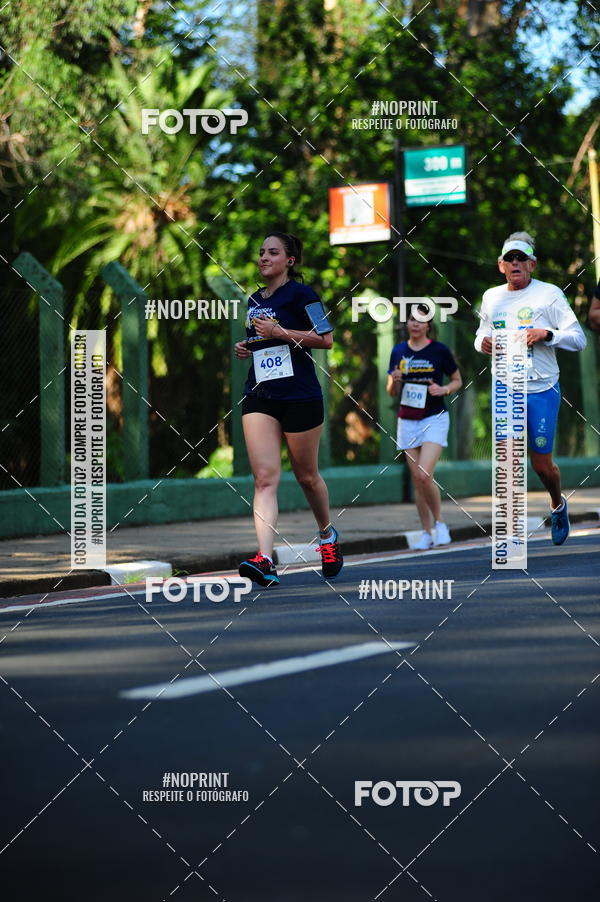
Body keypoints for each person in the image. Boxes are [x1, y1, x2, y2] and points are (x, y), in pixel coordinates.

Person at [234, 232, 343, 587]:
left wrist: (280, 332)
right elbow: (261, 339)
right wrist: (249, 345)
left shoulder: (304, 294)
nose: (264, 257)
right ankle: (265, 559)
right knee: (265, 478)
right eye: (262, 251)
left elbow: (325, 339)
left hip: (300, 395)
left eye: (273, 252)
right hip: (260, 394)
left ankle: (327, 536)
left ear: (290, 261)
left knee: (306, 477)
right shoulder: (253, 300)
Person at [474, 231, 587, 545]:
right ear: (500, 266)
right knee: (508, 458)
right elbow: (480, 333)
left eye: (521, 258)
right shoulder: (491, 297)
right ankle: (511, 534)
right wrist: (480, 343)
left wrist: (547, 334)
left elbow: (579, 339)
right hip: (505, 387)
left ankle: (557, 503)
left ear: (532, 264)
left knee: (542, 464)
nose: (515, 263)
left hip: (542, 388)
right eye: (509, 259)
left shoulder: (549, 295)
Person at [386, 305, 462, 551]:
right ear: (406, 324)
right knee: (418, 480)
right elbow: (391, 390)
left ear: (428, 325)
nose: (415, 324)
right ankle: (426, 532)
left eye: (420, 320)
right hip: (407, 418)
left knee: (424, 474)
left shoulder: (439, 350)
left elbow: (457, 380)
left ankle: (440, 524)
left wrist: (444, 389)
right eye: (411, 320)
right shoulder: (398, 351)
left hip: (434, 416)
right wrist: (395, 382)